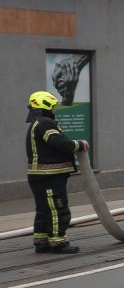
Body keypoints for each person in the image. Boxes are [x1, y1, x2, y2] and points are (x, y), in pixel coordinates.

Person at [25, 91, 88, 254]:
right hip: (50, 177)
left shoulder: (36, 123)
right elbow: (58, 142)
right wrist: (79, 145)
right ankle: (58, 242)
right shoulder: (45, 123)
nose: (55, 109)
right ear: (45, 106)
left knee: (43, 210)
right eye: (53, 106)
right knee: (57, 209)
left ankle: (42, 242)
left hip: (39, 177)